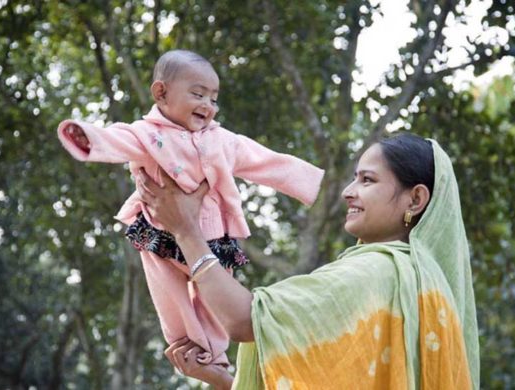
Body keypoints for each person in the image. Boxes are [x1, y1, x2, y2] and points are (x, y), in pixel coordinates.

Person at [135, 133, 480, 389]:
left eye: (367, 180)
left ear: (416, 199)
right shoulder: (427, 286)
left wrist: (186, 231)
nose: (348, 191)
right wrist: (223, 379)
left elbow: (244, 320)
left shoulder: (377, 271)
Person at [57, 49, 324, 366]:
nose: (207, 106)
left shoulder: (223, 140)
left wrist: (316, 185)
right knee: (168, 298)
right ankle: (185, 345)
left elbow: (267, 162)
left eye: (213, 99)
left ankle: (214, 352)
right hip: (157, 232)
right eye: (198, 94)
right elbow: (118, 138)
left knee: (214, 305)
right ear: (161, 93)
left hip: (210, 238)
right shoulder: (147, 134)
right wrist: (88, 137)